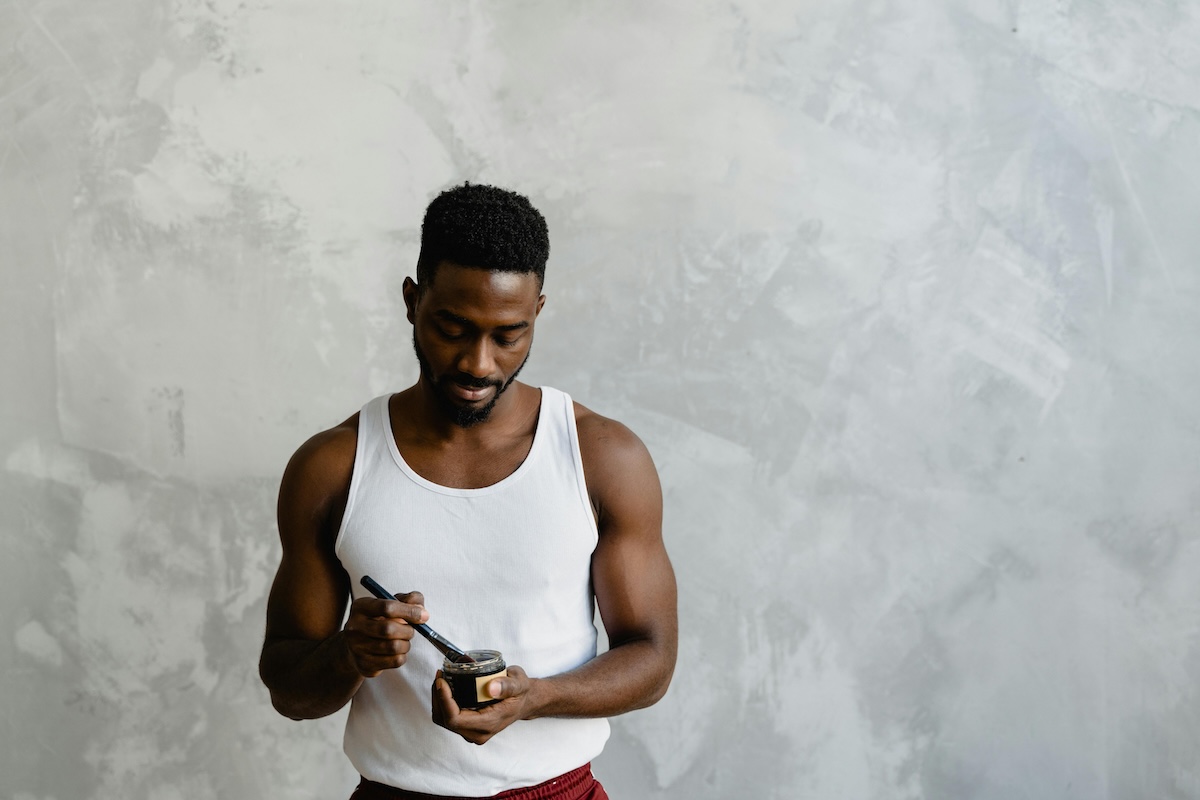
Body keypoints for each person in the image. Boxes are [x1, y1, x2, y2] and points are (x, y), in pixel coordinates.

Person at [259, 183, 678, 800]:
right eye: (451, 328)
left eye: (508, 335)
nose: (479, 364)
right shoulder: (334, 466)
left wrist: (536, 698)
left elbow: (652, 660)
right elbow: (290, 691)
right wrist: (351, 652)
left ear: (538, 310)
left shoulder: (602, 457)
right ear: (411, 301)